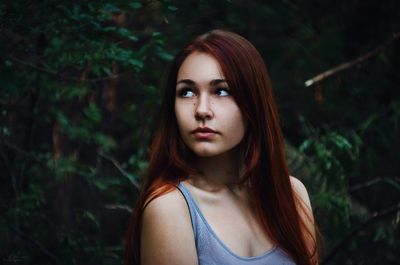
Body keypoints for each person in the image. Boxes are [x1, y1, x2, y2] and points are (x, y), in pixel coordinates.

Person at [124, 29, 320, 265]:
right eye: (187, 92)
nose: (201, 110)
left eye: (221, 91)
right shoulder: (169, 209)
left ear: (253, 102)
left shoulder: (292, 195)